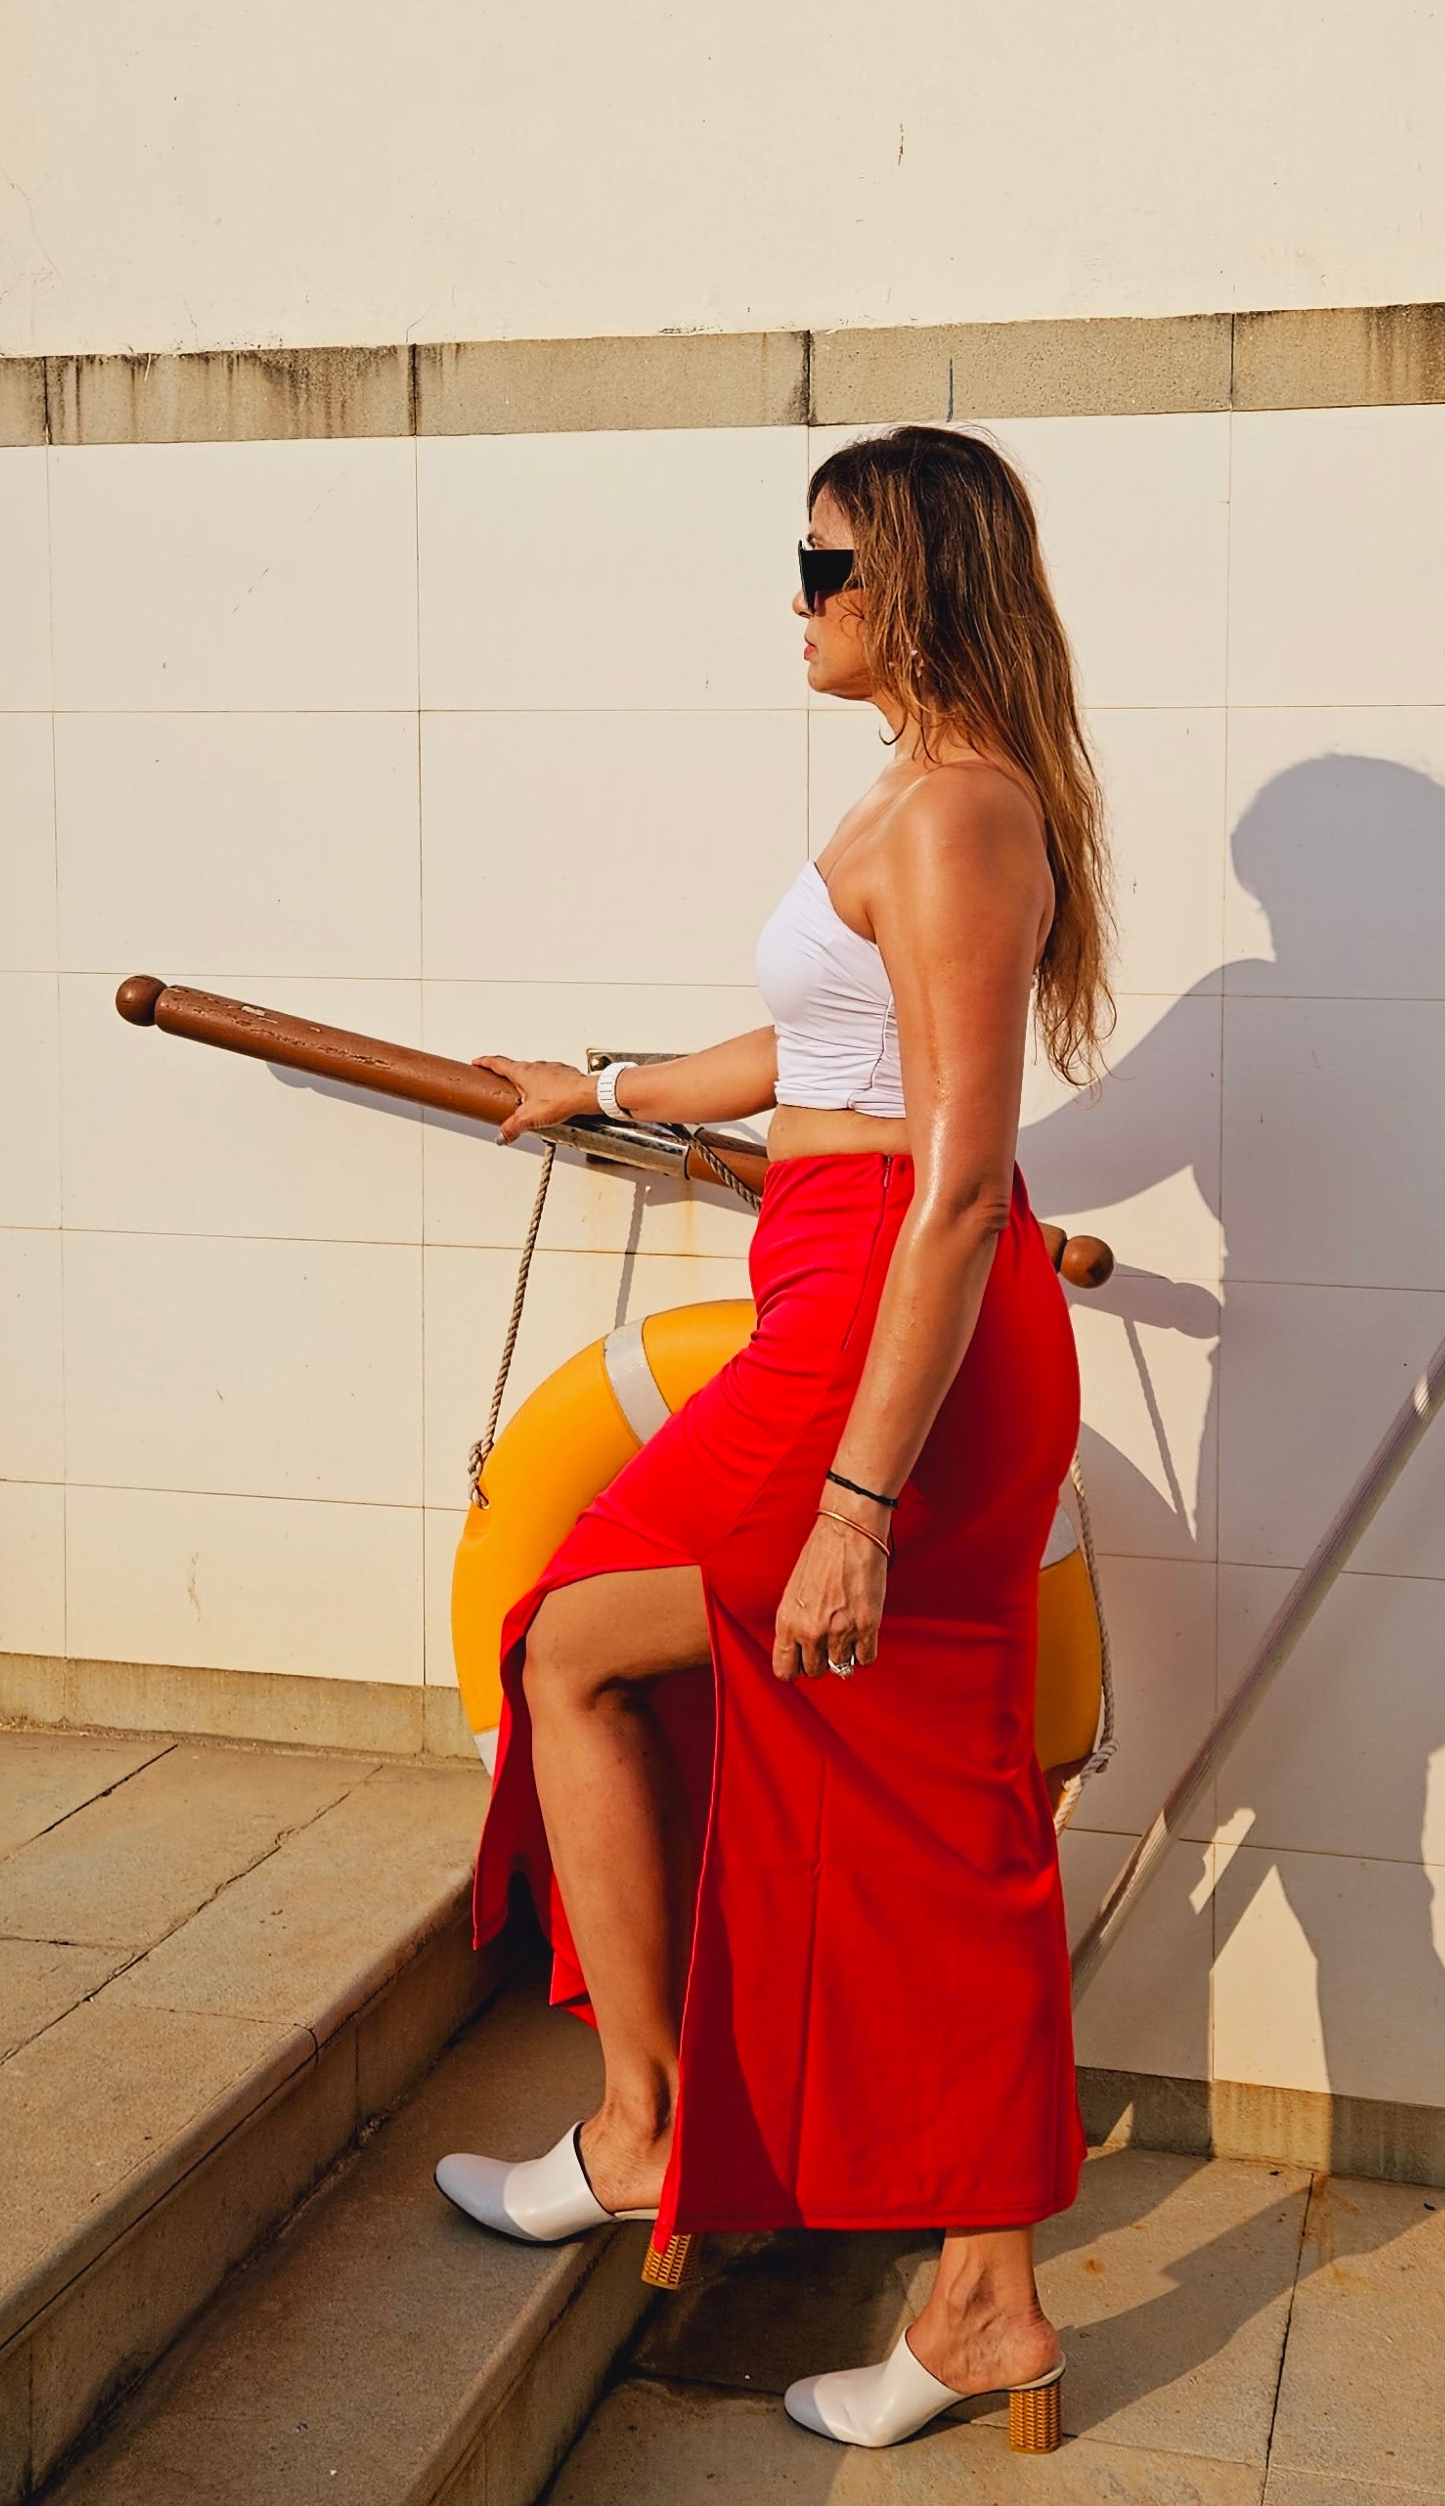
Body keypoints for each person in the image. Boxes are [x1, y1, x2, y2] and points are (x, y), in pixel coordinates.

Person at [436, 424, 1114, 2456]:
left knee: (577, 1644)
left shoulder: (963, 815)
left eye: (818, 564)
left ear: (910, 578)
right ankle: (973, 2290)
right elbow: (813, 1062)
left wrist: (849, 1502)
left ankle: (651, 2123)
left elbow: (963, 1178)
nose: (793, 599)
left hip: (887, 1334)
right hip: (848, 1293)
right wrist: (611, 1079)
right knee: (927, 1802)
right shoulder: (915, 798)